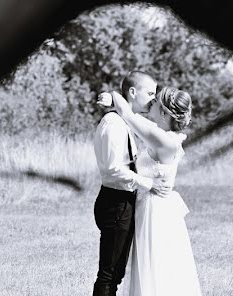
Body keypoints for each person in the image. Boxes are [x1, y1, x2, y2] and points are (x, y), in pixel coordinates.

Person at [98, 85, 202, 296]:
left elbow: (127, 114)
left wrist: (113, 94)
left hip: (157, 211)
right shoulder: (161, 134)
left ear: (164, 112)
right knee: (147, 266)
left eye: (155, 101)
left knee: (156, 266)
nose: (151, 102)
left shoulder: (164, 140)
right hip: (148, 205)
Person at [92, 71, 171, 296]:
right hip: (115, 202)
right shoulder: (113, 123)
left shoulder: (125, 120)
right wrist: (149, 183)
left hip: (123, 201)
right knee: (108, 274)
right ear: (133, 93)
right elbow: (113, 169)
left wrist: (111, 96)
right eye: (150, 93)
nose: (153, 98)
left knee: (116, 274)